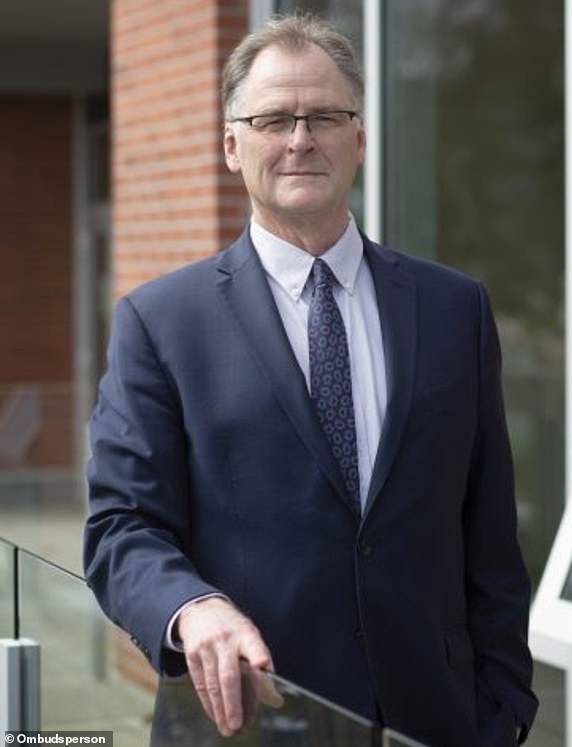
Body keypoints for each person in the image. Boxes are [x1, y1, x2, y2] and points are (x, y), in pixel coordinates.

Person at [84, 13, 538, 747]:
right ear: (232, 145)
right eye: (272, 119)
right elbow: (120, 527)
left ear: (359, 138)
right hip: (249, 722)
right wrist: (193, 606)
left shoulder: (456, 309)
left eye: (325, 116)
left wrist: (508, 706)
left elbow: (488, 535)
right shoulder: (160, 322)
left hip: (436, 721)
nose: (300, 139)